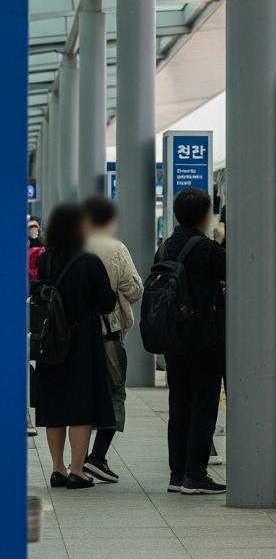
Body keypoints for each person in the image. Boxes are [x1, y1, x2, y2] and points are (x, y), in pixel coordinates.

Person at [31, 203, 116, 489]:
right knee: (81, 404)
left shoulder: (46, 260)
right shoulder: (88, 261)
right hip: (81, 342)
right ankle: (76, 471)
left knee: (54, 404)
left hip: (50, 343)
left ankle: (57, 469)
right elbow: (107, 303)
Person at [158, 188, 227, 495]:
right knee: (203, 404)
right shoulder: (207, 249)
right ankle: (196, 474)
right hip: (204, 339)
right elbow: (232, 272)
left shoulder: (166, 246)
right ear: (204, 215)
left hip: (174, 338)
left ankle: (177, 473)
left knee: (179, 403)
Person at [81, 196, 143, 483]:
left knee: (81, 394)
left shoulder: (69, 246)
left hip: (74, 334)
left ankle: (75, 463)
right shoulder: (115, 248)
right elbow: (134, 289)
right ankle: (97, 455)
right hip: (107, 332)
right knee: (114, 391)